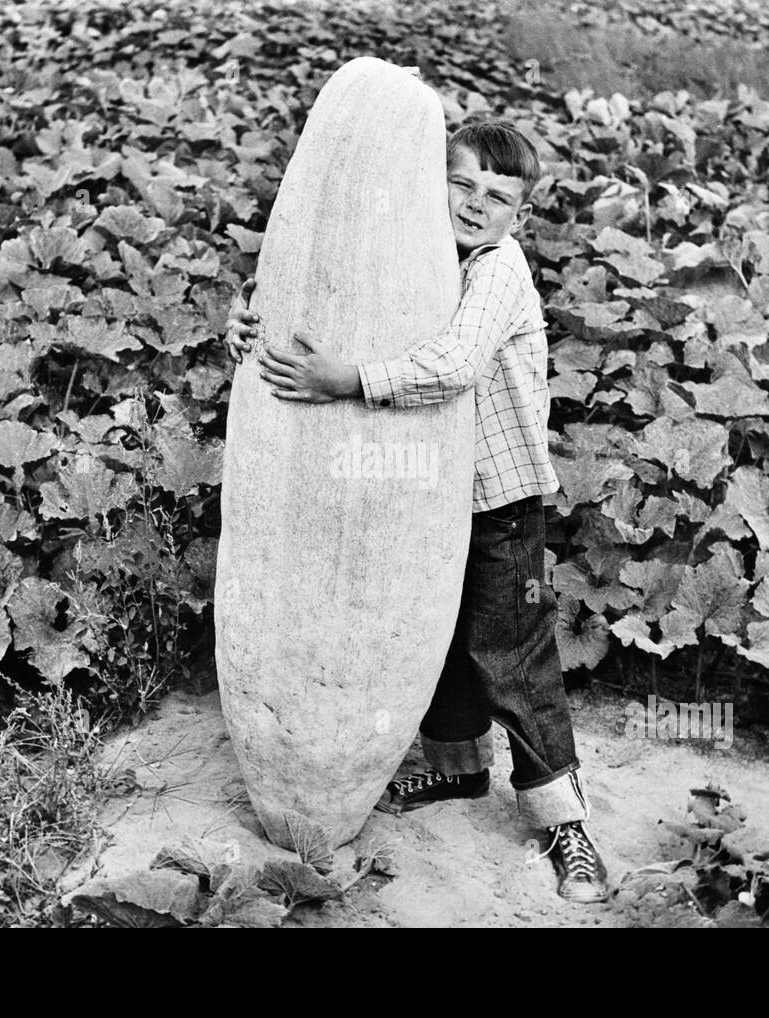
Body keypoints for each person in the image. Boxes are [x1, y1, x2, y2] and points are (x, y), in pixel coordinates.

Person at [224, 119, 608, 903]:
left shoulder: (499, 269)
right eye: (461, 185)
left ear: (520, 215)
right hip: (426, 498)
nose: (474, 206)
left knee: (512, 654)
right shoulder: (417, 260)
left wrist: (347, 381)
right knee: (434, 637)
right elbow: (323, 319)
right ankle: (459, 772)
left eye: (496, 198)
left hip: (502, 501)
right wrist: (246, 329)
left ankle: (567, 823)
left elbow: (455, 364)